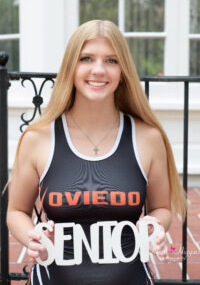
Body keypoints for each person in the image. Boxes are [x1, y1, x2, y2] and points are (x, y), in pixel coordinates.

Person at [7, 20, 186, 285]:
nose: (99, 70)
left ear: (123, 70)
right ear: (71, 67)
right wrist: (32, 236)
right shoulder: (38, 138)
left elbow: (161, 208)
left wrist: (154, 225)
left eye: (112, 61)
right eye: (87, 58)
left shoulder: (148, 138)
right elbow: (15, 212)